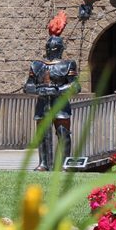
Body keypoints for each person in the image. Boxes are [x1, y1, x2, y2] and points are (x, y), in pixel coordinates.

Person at [25, 11, 79, 171]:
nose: (51, 50)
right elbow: (28, 86)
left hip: (60, 103)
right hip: (43, 104)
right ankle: (43, 163)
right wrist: (40, 89)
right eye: (49, 47)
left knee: (63, 133)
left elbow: (75, 86)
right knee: (42, 135)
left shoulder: (67, 65)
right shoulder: (37, 65)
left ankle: (64, 164)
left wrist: (57, 89)